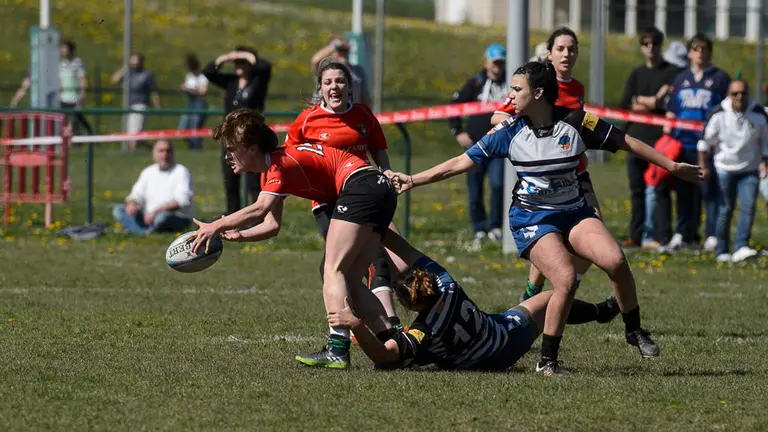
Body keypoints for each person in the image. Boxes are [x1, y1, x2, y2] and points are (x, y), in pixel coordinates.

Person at [387, 60, 704, 375]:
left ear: (538, 93)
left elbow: (627, 142)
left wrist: (673, 166)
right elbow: (459, 163)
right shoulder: (509, 132)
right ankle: (547, 361)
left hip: (574, 212)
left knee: (616, 260)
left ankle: (633, 330)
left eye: (516, 89)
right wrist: (413, 179)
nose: (510, 96)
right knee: (565, 278)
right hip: (531, 219)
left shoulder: (578, 122)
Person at [190, 108, 397, 369]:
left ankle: (337, 349)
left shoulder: (279, 164)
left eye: (231, 148)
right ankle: (392, 341)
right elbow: (272, 225)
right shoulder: (273, 168)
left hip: (361, 185)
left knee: (332, 270)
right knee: (351, 281)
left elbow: (259, 208)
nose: (227, 155)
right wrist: (240, 235)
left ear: (251, 147)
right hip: (378, 189)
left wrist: (215, 226)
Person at [328, 228, 620, 373]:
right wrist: (379, 226)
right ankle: (601, 311)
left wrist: (355, 324)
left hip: (501, 347)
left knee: (406, 355)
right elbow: (403, 247)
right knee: (551, 298)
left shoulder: (424, 330)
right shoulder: (445, 282)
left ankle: (599, 312)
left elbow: (383, 355)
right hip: (498, 333)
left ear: (413, 306)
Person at [285, 58, 402, 329]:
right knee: (341, 264)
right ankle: (354, 325)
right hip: (329, 202)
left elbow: (378, 149)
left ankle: (388, 324)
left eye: (340, 81)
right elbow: (289, 156)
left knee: (377, 259)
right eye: (328, 82)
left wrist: (387, 172)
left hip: (366, 195)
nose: (334, 87)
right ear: (320, 88)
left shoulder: (362, 115)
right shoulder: (307, 121)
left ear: (350, 86)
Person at [491, 27, 592, 303]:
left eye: (572, 49)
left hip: (577, 172)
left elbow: (579, 127)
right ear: (549, 53)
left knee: (594, 234)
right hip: (544, 176)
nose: (566, 54)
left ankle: (554, 292)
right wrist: (531, 135)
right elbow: (498, 117)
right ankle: (537, 296)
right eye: (560, 48)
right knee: (550, 234)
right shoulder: (536, 83)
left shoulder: (578, 87)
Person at [663, 33, 730, 253]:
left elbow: (725, 111)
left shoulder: (720, 78)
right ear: (689, 53)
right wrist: (669, 132)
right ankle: (684, 233)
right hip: (683, 144)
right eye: (696, 49)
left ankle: (712, 234)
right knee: (684, 193)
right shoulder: (681, 78)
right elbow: (672, 109)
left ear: (710, 52)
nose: (700, 53)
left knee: (709, 192)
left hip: (708, 146)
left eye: (704, 49)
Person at [618, 27, 681, 249]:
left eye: (654, 44)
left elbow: (667, 104)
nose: (650, 48)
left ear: (660, 46)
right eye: (646, 44)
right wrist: (652, 100)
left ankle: (663, 236)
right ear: (641, 47)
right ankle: (635, 236)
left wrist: (646, 102)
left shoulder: (671, 72)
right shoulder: (636, 74)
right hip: (635, 138)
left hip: (660, 141)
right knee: (637, 190)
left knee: (661, 189)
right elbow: (626, 104)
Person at [698, 79, 768, 263]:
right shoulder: (718, 113)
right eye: (735, 93)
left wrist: (764, 162)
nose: (739, 97)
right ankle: (722, 249)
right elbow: (704, 143)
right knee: (725, 209)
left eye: (743, 93)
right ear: (728, 95)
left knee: (748, 207)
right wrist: (703, 166)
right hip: (724, 168)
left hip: (750, 169)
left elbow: (765, 142)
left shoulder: (759, 114)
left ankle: (741, 246)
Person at [449, 43, 508, 244]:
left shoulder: (510, 84)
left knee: (499, 185)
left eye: (501, 62)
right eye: (495, 62)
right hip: (475, 146)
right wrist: (458, 131)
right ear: (487, 62)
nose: (498, 67)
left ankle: (495, 226)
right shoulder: (475, 84)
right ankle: (478, 228)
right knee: (475, 189)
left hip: (498, 147)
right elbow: (453, 106)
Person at [203, 47, 272, 215]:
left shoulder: (258, 80)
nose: (238, 65)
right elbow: (208, 72)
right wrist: (223, 58)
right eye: (236, 62)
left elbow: (265, 66)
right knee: (230, 179)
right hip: (231, 137)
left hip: (251, 137)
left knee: (254, 180)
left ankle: (257, 216)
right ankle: (233, 216)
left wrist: (248, 55)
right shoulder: (231, 82)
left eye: (242, 62)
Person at [113, 140, 194, 235]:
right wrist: (132, 203)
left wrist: (155, 212)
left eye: (168, 151)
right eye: (161, 151)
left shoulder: (181, 171)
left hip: (173, 215)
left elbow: (181, 202)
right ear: (154, 155)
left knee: (162, 218)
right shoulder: (148, 172)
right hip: (148, 215)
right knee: (118, 210)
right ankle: (146, 231)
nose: (165, 155)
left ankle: (138, 230)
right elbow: (136, 193)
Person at [111, 53, 161, 151]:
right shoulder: (129, 73)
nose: (134, 64)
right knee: (138, 136)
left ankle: (131, 153)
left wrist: (157, 106)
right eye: (132, 62)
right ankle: (153, 149)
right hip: (129, 106)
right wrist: (123, 69)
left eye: (136, 62)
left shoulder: (147, 75)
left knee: (134, 134)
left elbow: (154, 92)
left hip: (141, 106)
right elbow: (114, 80)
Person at [310, 35, 372, 106]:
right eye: (339, 50)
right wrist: (335, 45)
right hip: (323, 113)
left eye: (345, 50)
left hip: (350, 113)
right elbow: (315, 60)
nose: (343, 53)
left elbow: (365, 97)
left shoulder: (357, 70)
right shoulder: (324, 68)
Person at [58, 40, 93, 136]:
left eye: (65, 48)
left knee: (76, 118)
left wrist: (83, 92)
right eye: (61, 48)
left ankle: (88, 134)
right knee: (65, 119)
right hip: (63, 97)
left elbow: (82, 78)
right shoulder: (60, 64)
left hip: (75, 96)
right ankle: (69, 138)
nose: (63, 51)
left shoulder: (78, 62)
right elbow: (59, 80)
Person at [178, 54, 209, 150]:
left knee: (195, 128)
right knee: (183, 128)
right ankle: (192, 145)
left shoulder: (202, 77)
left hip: (199, 103)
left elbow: (204, 92)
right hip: (190, 103)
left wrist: (190, 90)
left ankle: (196, 149)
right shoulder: (189, 76)